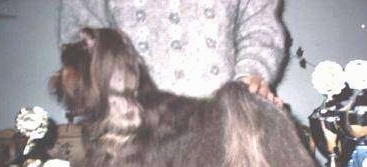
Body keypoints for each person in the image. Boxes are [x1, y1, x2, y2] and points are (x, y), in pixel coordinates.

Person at [59, 0, 286, 107]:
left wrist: (251, 73)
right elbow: (81, 37)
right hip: (134, 131)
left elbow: (259, 26)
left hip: (226, 121)